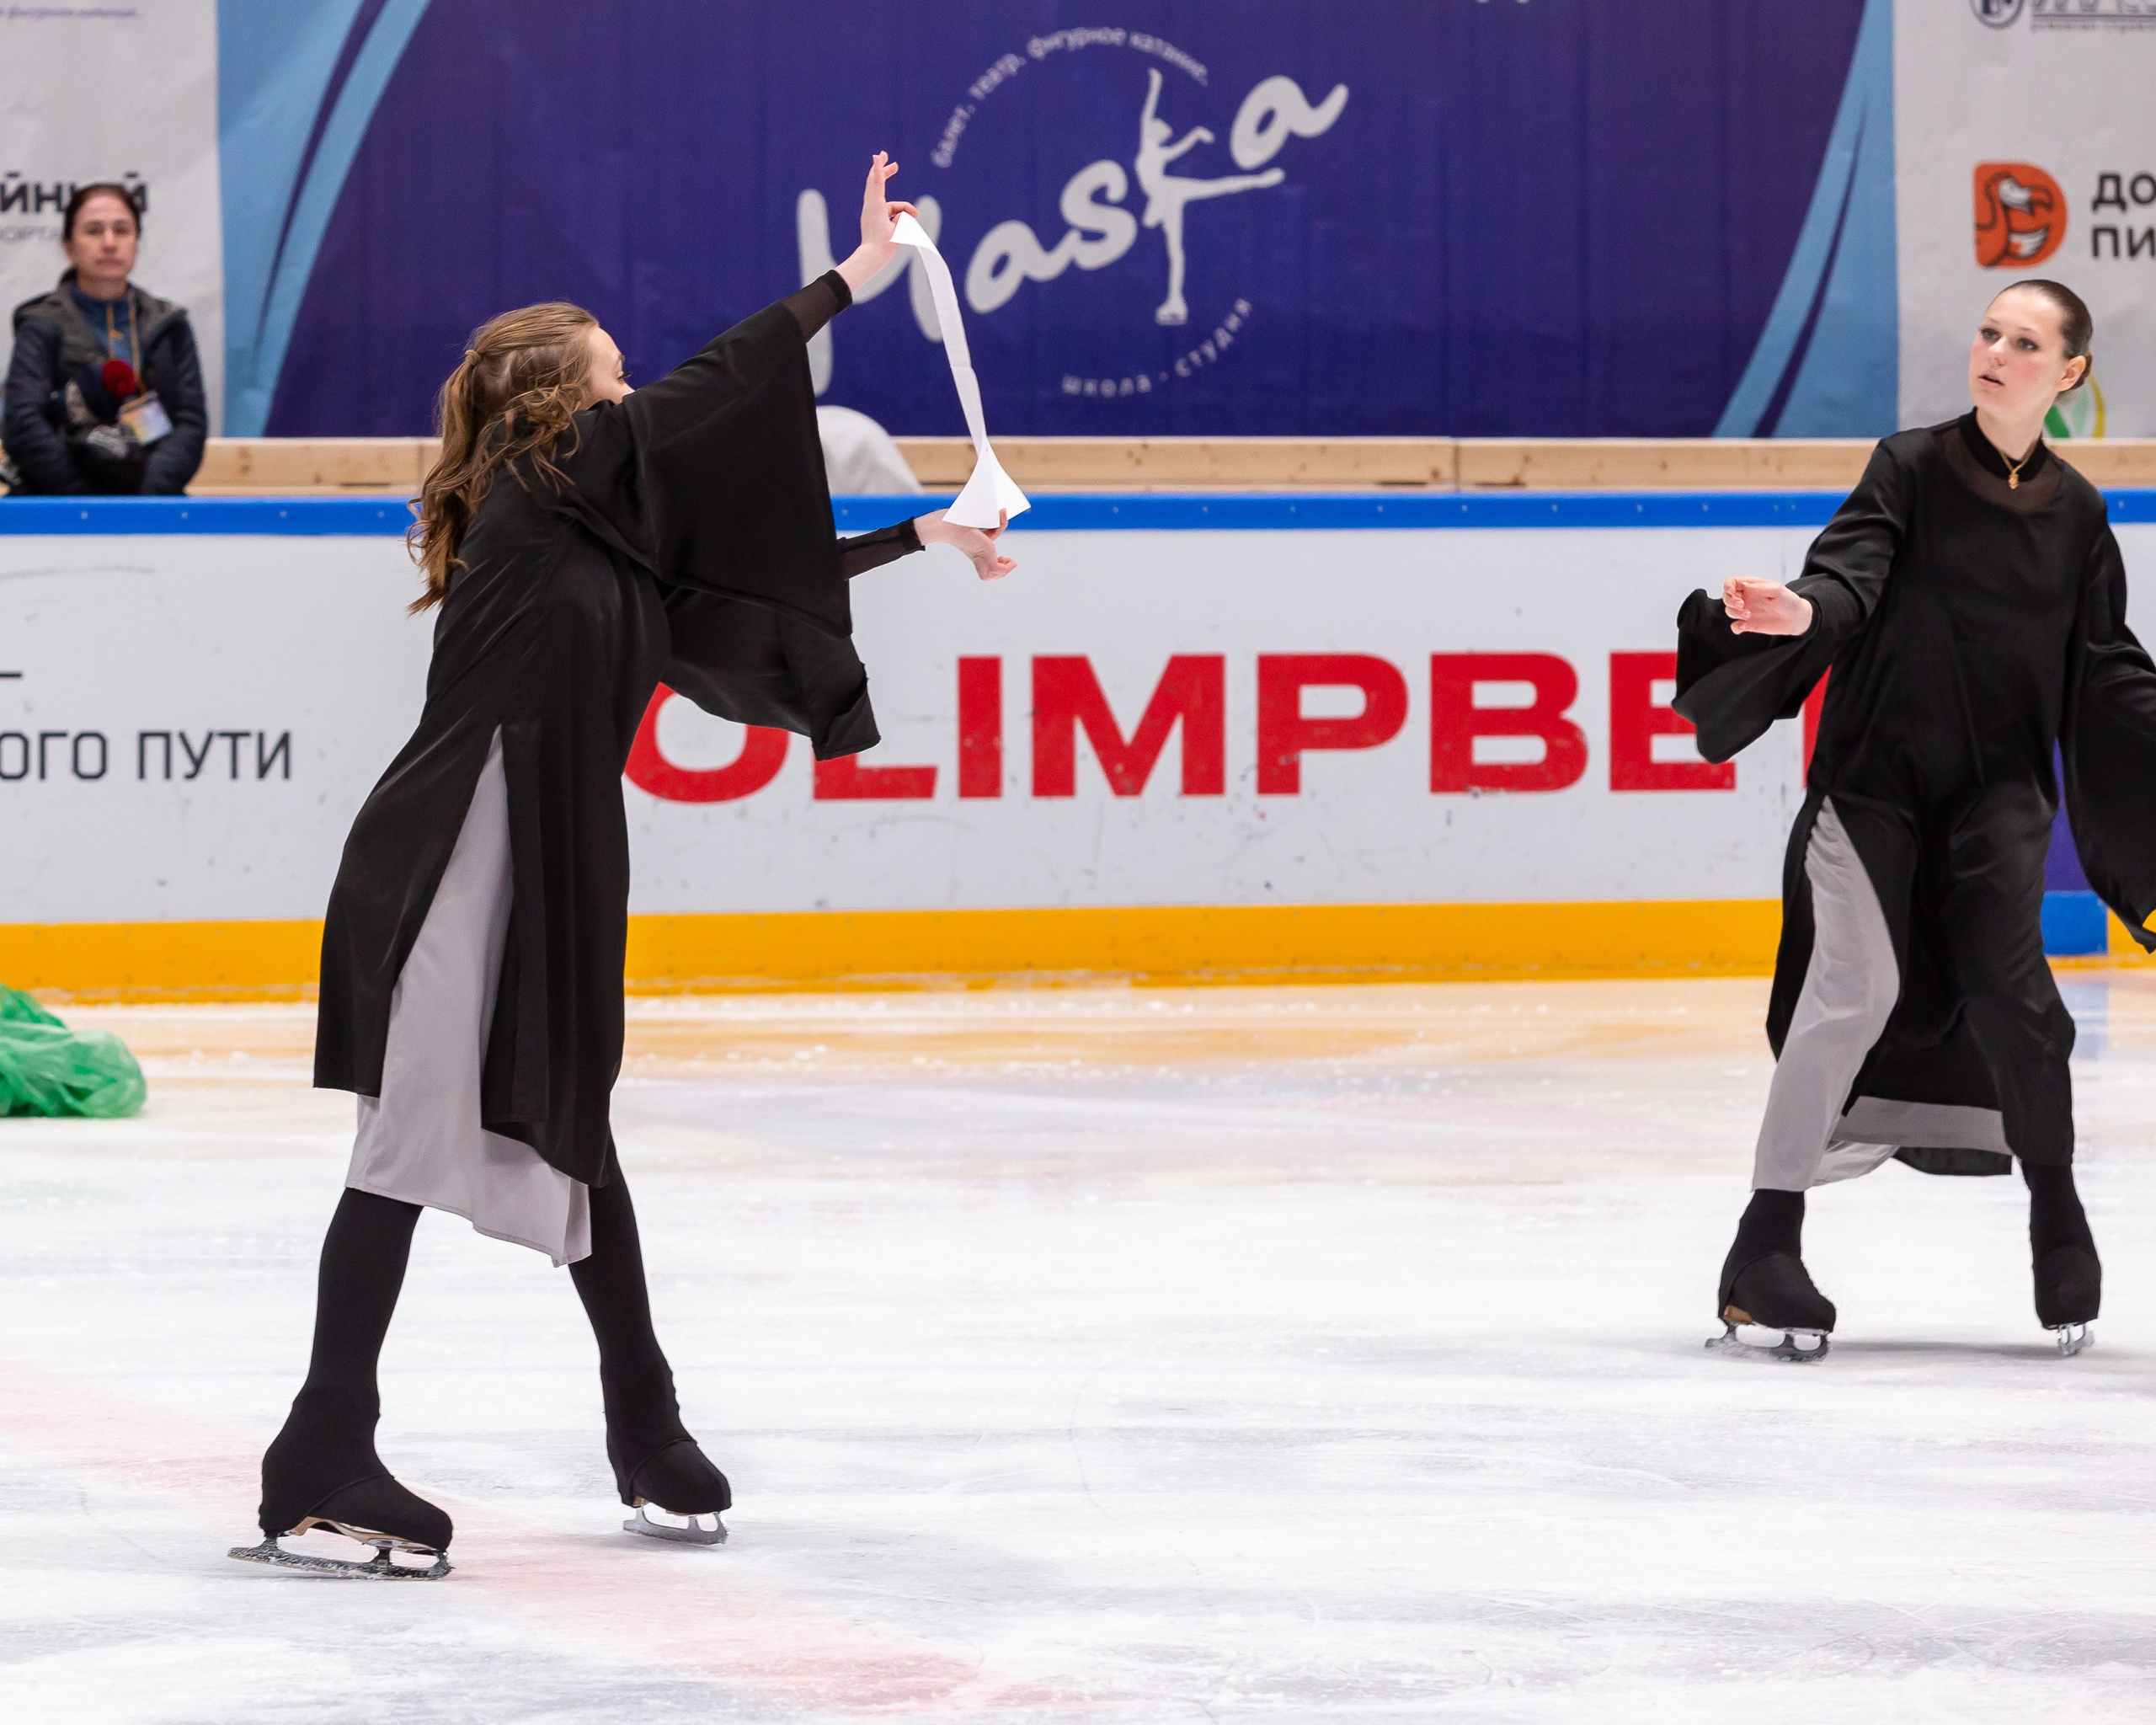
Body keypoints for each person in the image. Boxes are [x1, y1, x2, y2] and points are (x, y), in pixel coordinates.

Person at [232, 152, 1017, 1578]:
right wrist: (858, 276)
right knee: (408, 1138)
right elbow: (720, 381)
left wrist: (925, 532)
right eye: (612, 375)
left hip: (549, 844)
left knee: (571, 1119)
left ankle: (644, 1425)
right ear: (561, 403)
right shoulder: (544, 486)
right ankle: (323, 1444)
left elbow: (728, 597)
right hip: (464, 837)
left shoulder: (593, 524)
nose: (632, 389)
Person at [1673, 279, 2156, 1362]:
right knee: (1854, 989)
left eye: (2024, 341)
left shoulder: (2079, 516)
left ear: (2069, 373)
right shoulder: (1908, 466)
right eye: (1988, 332)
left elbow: (2106, 669)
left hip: (1998, 800)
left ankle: (2057, 1213)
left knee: (2017, 999)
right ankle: (1764, 1242)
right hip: (1873, 786)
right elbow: (1849, 576)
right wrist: (1802, 609)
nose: (1995, 351)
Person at [1, 183, 206, 495]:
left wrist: (143, 499)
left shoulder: (169, 324)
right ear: (69, 247)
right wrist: (90, 503)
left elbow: (189, 425)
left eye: (122, 230)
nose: (109, 243)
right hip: (58, 502)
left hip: (149, 503)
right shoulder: (41, 323)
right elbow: (23, 423)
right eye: (94, 231)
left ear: (136, 242)